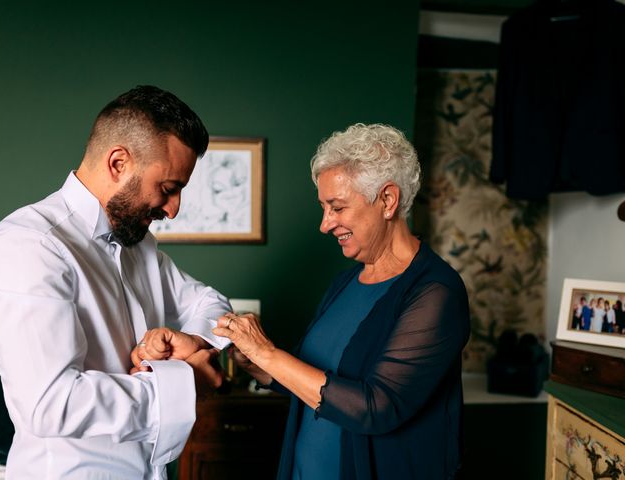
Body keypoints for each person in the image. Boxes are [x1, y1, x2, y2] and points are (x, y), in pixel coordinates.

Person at [140, 123, 471, 478]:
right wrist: (252, 359)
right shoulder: (347, 281)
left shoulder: (436, 291)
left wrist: (267, 351)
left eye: (337, 207)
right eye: (324, 207)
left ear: (387, 200)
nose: (325, 224)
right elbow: (308, 378)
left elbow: (377, 407)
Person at [0, 86, 232, 479]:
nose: (174, 208)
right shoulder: (30, 245)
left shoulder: (140, 246)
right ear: (118, 163)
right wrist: (185, 382)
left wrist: (195, 343)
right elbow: (52, 404)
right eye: (168, 189)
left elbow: (211, 303)